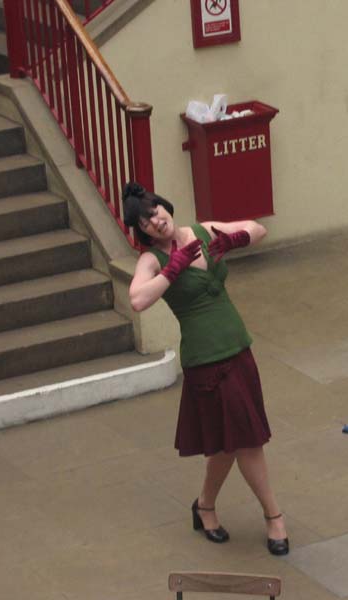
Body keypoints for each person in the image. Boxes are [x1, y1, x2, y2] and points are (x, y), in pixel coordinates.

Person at [123, 181, 288, 555]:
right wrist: (172, 272)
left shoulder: (203, 230)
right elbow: (137, 300)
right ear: (142, 232)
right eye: (145, 223)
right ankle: (274, 517)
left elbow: (259, 228)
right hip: (206, 358)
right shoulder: (152, 260)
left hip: (237, 346)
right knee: (246, 438)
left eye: (155, 212)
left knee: (227, 443)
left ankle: (205, 506)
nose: (155, 222)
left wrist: (237, 239)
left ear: (165, 206)